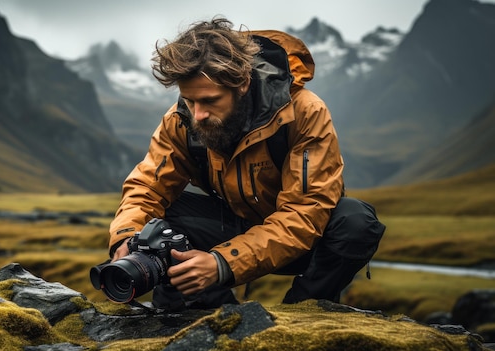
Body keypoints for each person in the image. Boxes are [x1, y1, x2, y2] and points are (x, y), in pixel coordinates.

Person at [107, 17, 386, 311]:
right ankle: (198, 312)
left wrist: (222, 263)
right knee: (157, 224)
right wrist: (128, 237)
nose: (198, 115)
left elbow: (305, 213)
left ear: (242, 83)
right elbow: (147, 186)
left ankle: (305, 312)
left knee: (356, 222)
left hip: (306, 241)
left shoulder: (304, 112)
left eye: (209, 100)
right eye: (189, 100)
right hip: (233, 224)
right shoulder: (181, 119)